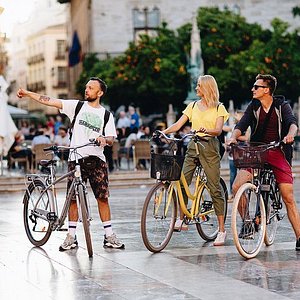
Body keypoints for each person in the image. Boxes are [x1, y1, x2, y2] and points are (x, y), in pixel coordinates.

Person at [17, 77, 125, 251]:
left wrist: (103, 139)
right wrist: (28, 93)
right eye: (86, 87)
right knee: (73, 199)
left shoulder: (106, 115)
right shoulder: (77, 106)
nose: (87, 90)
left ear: (100, 93)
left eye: (91, 88)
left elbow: (111, 138)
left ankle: (109, 235)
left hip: (97, 160)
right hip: (76, 159)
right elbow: (50, 101)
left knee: (102, 198)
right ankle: (71, 237)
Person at [227, 73, 300, 251]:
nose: (253, 89)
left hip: (278, 151)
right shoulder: (253, 106)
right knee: (237, 186)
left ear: (266, 90)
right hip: (256, 152)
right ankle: (247, 222)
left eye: (256, 87)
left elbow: (292, 123)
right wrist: (233, 137)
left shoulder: (282, 106)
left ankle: (299, 236)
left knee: (288, 196)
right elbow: (241, 126)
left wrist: (290, 135)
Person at [162, 74, 229, 246]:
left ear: (207, 88)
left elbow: (218, 130)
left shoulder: (219, 108)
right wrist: (163, 133)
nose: (196, 88)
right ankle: (182, 218)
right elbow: (178, 125)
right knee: (182, 179)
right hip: (194, 146)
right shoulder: (192, 106)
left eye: (199, 86)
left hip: (210, 147)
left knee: (214, 188)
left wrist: (206, 129)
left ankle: (221, 230)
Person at [223, 111, 250, 201]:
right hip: (233, 154)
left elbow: (246, 138)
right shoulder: (234, 127)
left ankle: (243, 192)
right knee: (232, 175)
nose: (235, 116)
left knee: (242, 175)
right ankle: (232, 193)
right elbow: (224, 128)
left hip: (242, 154)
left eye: (237, 115)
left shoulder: (246, 127)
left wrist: (234, 137)